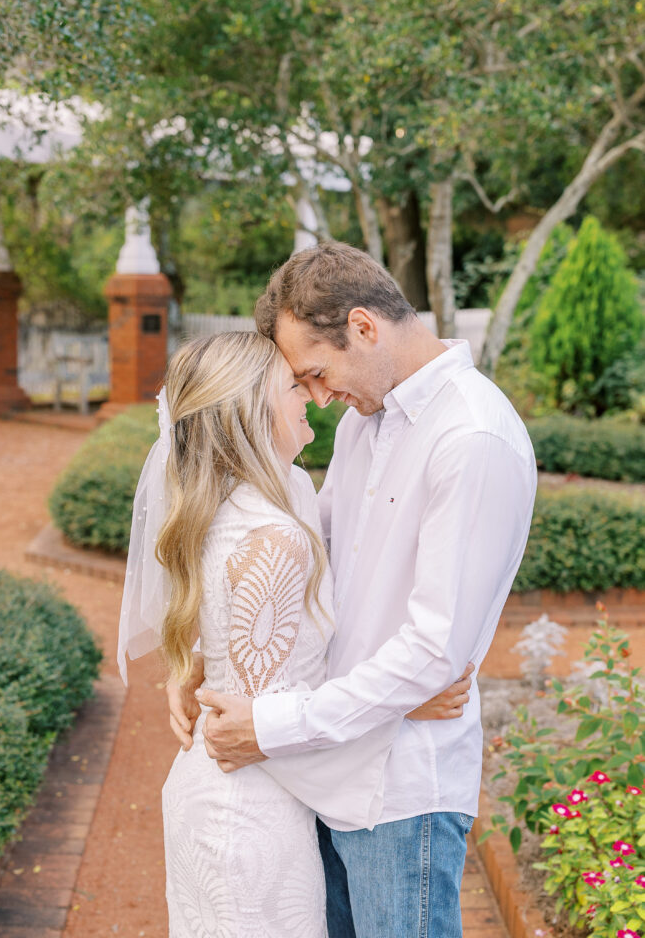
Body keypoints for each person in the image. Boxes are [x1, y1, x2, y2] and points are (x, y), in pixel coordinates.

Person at [171, 241, 537, 938]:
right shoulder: (366, 424)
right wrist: (202, 657)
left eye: (316, 371)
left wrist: (270, 728)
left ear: (363, 327)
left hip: (399, 789)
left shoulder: (471, 437)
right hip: (328, 766)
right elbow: (311, 559)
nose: (315, 394)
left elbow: (435, 649)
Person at [118, 329, 472, 938]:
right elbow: (260, 727)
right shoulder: (272, 537)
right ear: (253, 412)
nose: (311, 393)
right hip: (245, 816)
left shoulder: (285, 493)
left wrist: (199, 661)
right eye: (293, 385)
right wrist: (406, 705)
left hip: (253, 799)